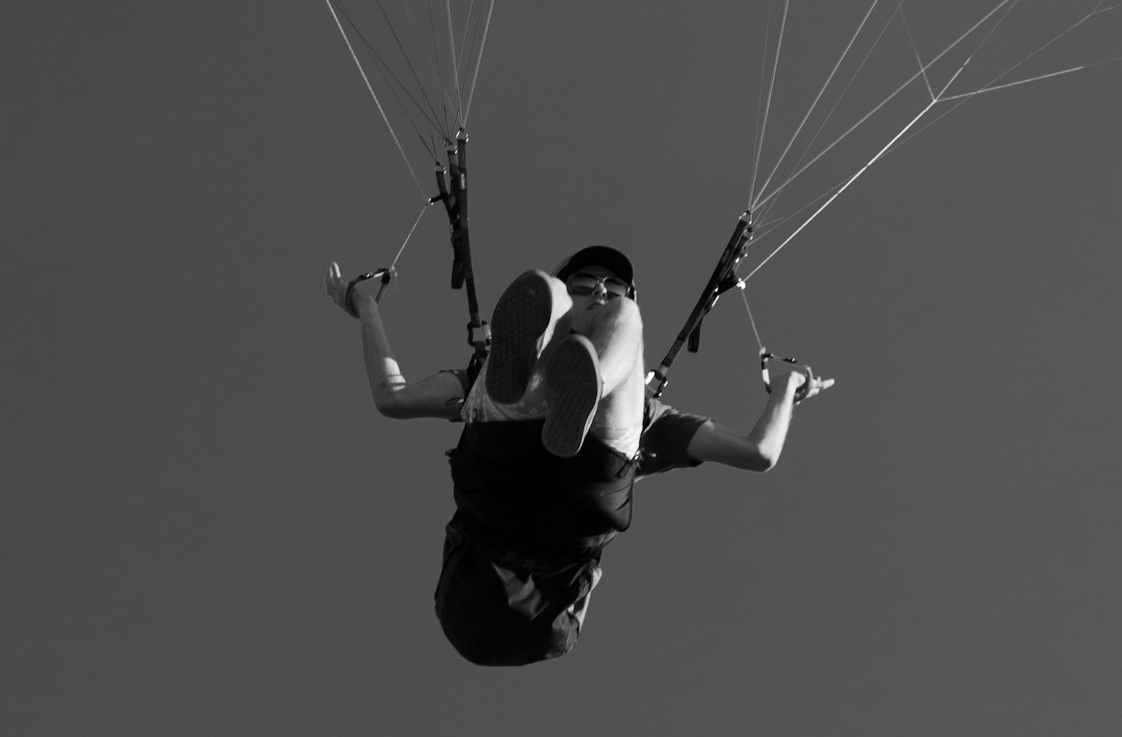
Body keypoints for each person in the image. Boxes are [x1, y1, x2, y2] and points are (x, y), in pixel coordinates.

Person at [327, 247, 829, 665]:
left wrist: (782, 390)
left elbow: (758, 452)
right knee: (540, 300)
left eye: (612, 285)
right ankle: (544, 375)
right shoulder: (488, 375)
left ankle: (582, 390)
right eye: (584, 286)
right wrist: (368, 310)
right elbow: (392, 398)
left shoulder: (649, 412)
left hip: (532, 519)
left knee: (621, 321)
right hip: (518, 522)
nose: (601, 291)